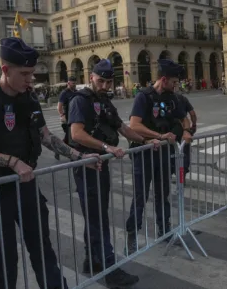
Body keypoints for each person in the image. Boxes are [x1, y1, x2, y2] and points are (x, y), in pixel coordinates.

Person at [0, 37, 101, 289]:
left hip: (25, 186)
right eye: (24, 74)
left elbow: (45, 136)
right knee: (4, 258)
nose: (30, 79)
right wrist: (11, 162)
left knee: (43, 249)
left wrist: (78, 157)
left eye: (32, 73)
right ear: (5, 70)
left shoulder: (29, 98)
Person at [68, 59, 159, 287]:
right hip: (88, 165)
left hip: (100, 164)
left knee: (96, 216)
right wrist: (107, 147)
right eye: (101, 81)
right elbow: (76, 134)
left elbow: (123, 128)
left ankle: (93, 260)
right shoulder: (80, 101)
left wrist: (148, 139)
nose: (105, 86)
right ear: (91, 77)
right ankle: (110, 269)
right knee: (98, 217)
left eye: (109, 82)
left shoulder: (104, 101)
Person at [125, 59, 193, 254]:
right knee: (140, 196)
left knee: (163, 194)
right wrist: (159, 136)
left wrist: (186, 130)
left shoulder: (173, 98)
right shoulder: (144, 97)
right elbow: (134, 125)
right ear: (163, 79)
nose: (176, 85)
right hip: (144, 153)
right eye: (173, 82)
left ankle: (164, 230)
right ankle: (132, 234)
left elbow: (184, 117)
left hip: (163, 153)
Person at [55, 76, 77, 160]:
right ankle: (72, 154)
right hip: (67, 118)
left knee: (68, 137)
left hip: (74, 118)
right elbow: (59, 107)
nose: (74, 84)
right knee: (70, 137)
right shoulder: (64, 93)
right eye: (73, 83)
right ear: (68, 83)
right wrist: (62, 115)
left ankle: (58, 150)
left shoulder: (75, 92)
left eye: (75, 83)